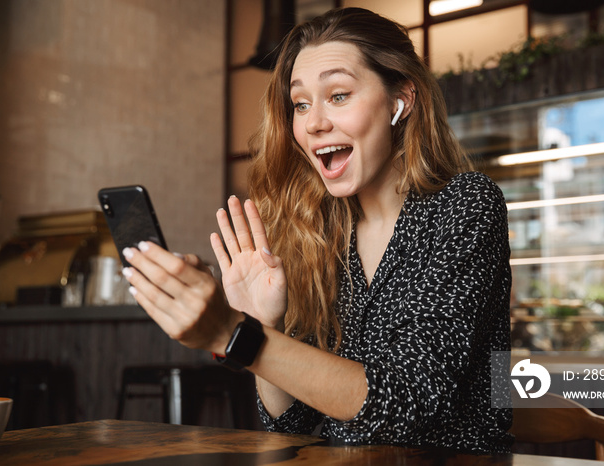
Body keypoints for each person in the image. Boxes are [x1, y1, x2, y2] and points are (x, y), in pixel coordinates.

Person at [121, 7, 513, 454]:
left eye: (339, 95)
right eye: (301, 104)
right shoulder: (321, 231)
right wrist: (264, 324)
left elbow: (407, 404)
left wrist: (233, 335)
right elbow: (292, 423)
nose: (313, 123)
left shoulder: (464, 205)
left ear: (401, 100)